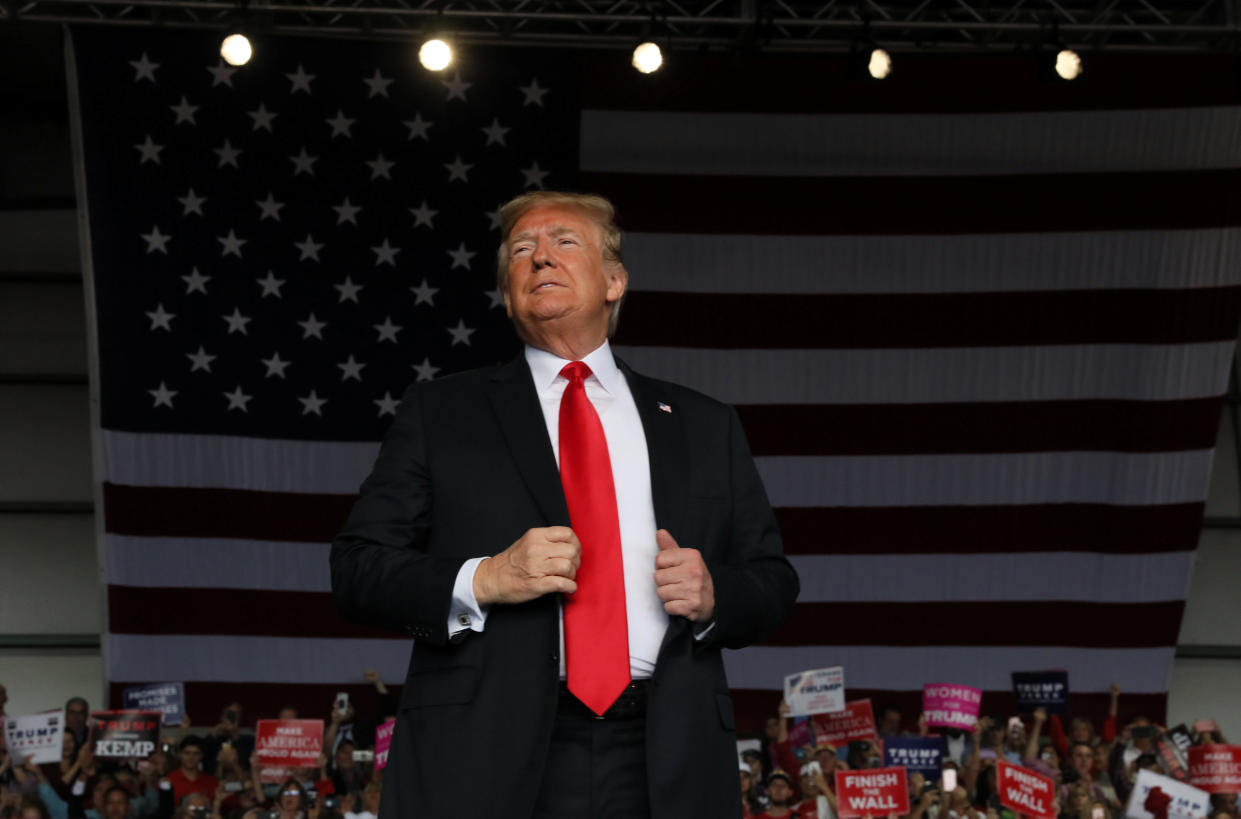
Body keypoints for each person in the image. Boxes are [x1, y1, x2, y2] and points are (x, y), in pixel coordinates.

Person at [330, 190, 800, 818]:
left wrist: (716, 594)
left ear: (614, 282)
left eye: (564, 242)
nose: (540, 257)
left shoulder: (703, 423)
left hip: (666, 751)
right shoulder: (442, 413)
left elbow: (773, 580)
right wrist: (486, 578)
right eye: (521, 250)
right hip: (485, 749)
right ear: (507, 296)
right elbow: (358, 567)